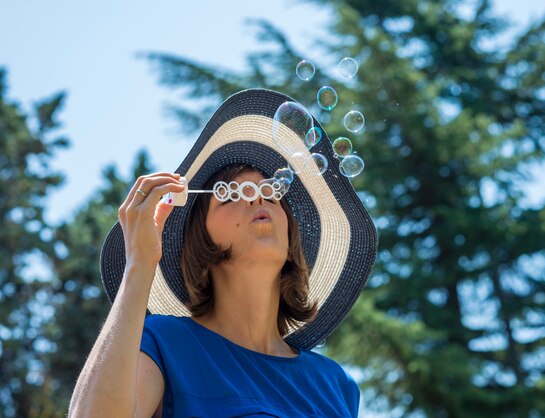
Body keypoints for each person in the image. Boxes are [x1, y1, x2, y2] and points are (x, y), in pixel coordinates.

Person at [68, 88, 377, 417]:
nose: (258, 198)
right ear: (199, 243)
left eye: (271, 191)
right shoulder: (166, 343)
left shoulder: (335, 384)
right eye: (231, 194)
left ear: (291, 241)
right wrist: (139, 264)